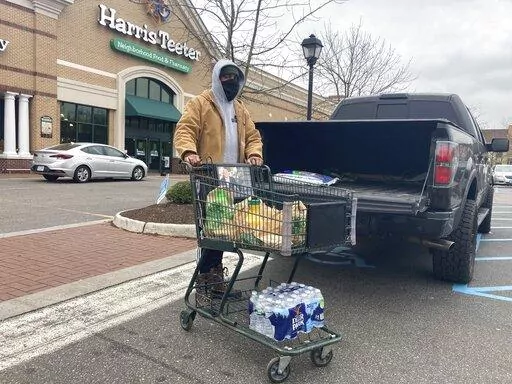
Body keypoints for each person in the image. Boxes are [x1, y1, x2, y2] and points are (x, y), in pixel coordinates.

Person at [173, 59, 263, 301]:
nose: (231, 82)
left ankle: (210, 276)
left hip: (235, 177)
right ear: (216, 78)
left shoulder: (240, 109)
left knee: (225, 231)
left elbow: (253, 136)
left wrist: (254, 154)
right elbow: (185, 130)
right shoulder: (201, 104)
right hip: (209, 175)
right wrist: (189, 152)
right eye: (226, 77)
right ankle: (209, 278)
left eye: (235, 78)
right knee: (214, 229)